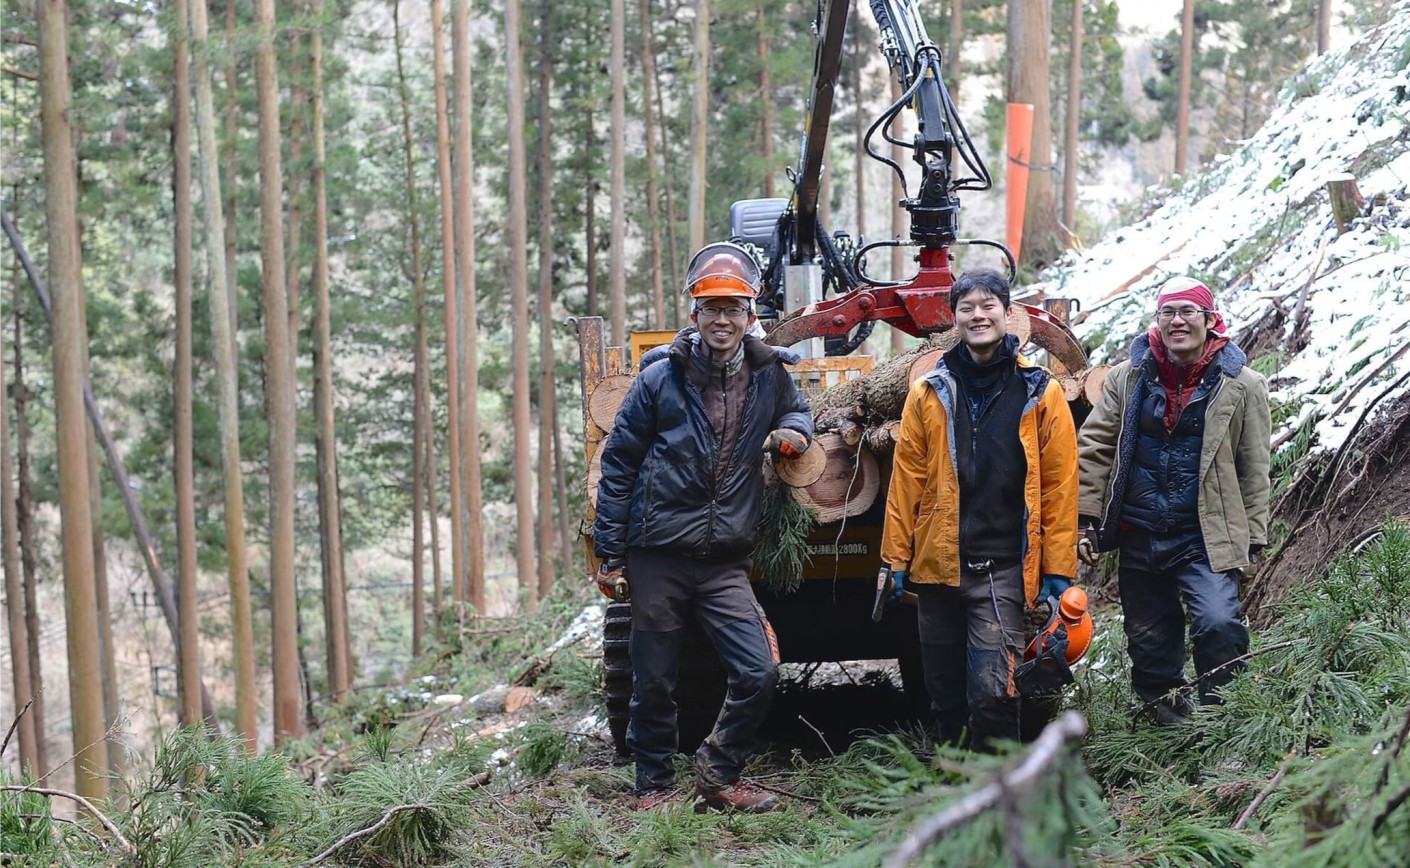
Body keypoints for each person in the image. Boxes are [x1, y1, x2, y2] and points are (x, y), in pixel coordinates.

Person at [592, 241, 814, 812]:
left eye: (734, 308)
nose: (722, 319)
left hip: (723, 561)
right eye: (711, 308)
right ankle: (655, 787)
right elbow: (619, 463)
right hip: (657, 553)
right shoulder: (660, 379)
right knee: (655, 679)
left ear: (750, 315)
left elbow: (797, 411)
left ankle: (717, 774)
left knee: (758, 672)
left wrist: (794, 434)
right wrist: (611, 554)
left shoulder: (768, 375)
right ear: (694, 314)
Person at [879, 268, 1079, 750]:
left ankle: (996, 793)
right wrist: (894, 559)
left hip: (1003, 568)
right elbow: (906, 482)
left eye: (989, 305)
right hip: (938, 567)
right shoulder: (928, 392)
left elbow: (1059, 485)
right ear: (955, 319)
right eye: (967, 307)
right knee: (945, 694)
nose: (978, 315)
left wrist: (1059, 566)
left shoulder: (1040, 391)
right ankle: (955, 785)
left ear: (1008, 314)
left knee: (993, 691)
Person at [1076, 276, 1271, 723]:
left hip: (1204, 535)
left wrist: (1253, 536)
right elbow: (1095, 446)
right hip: (1139, 532)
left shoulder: (1242, 384)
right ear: (1157, 320)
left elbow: (1254, 465)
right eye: (1168, 312)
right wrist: (1086, 518)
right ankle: (1164, 724)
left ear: (1209, 319)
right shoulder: (1128, 378)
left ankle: (1223, 723)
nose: (1178, 321)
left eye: (1188, 312)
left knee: (1220, 624)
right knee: (1149, 639)